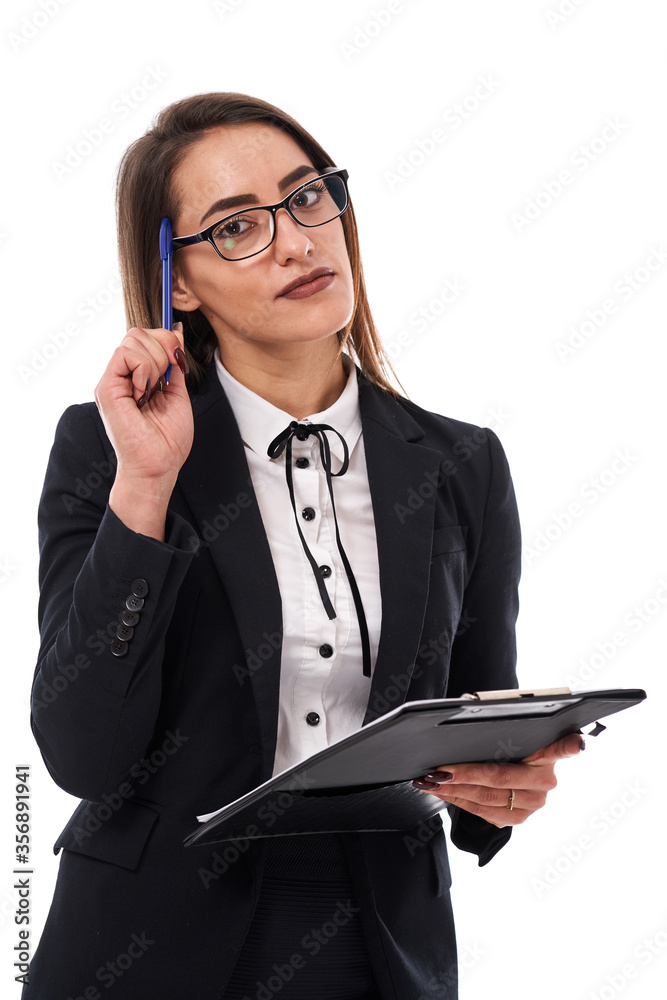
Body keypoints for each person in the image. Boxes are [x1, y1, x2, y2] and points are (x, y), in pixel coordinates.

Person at [24, 92, 584, 1000]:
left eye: (307, 198)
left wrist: (502, 795)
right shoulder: (107, 448)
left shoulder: (459, 463)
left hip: (380, 942)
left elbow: (478, 725)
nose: (294, 241)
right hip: (146, 949)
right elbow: (81, 753)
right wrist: (147, 487)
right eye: (237, 226)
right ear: (178, 282)